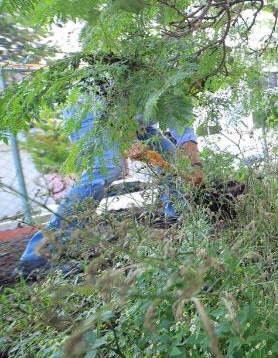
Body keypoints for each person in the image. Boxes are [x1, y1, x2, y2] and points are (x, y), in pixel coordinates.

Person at [13, 100, 204, 279]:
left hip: (131, 122)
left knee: (168, 153)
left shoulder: (179, 91)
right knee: (107, 166)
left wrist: (196, 166)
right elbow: (111, 99)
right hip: (94, 112)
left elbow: (184, 131)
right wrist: (128, 140)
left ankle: (177, 217)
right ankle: (36, 259)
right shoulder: (150, 72)